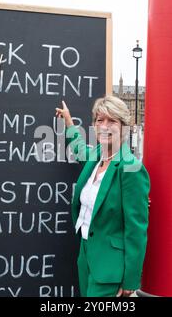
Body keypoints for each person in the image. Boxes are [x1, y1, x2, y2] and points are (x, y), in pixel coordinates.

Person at [55, 96, 150, 297]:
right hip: (86, 256)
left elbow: (136, 228)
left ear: (124, 127)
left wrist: (131, 279)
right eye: (99, 120)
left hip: (110, 268)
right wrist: (69, 123)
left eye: (112, 121)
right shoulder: (97, 156)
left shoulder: (131, 167)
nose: (104, 126)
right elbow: (80, 149)